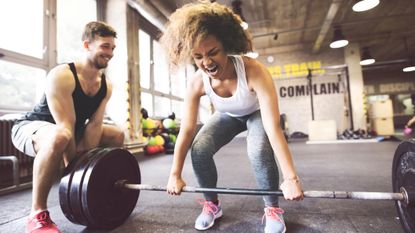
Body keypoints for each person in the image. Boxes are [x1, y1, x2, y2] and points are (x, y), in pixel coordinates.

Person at [159, 2, 303, 233]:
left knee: (257, 149)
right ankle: (212, 205)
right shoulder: (198, 82)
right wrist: (174, 174)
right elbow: (186, 129)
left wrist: (291, 178)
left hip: (255, 114)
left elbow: (273, 128)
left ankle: (272, 208)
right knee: (200, 148)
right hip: (227, 115)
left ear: (227, 46)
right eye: (198, 56)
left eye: (213, 52)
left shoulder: (254, 71)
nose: (206, 62)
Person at [11, 21, 124, 233]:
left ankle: (99, 190)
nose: (109, 53)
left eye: (112, 48)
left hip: (69, 130)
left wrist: (88, 180)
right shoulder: (62, 75)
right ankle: (37, 213)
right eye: (104, 46)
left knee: (116, 135)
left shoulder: (106, 85)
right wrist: (74, 176)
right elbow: (66, 125)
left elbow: (95, 125)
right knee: (60, 136)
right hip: (31, 127)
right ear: (87, 45)